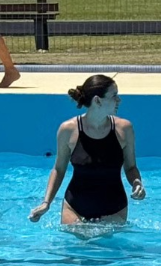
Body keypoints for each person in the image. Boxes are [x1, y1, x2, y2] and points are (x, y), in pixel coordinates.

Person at [29, 75, 146, 224]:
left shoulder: (124, 129)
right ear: (97, 100)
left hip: (115, 209)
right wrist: (46, 203)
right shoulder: (68, 130)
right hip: (75, 209)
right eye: (114, 96)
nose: (119, 100)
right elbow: (58, 169)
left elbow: (131, 167)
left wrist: (137, 183)